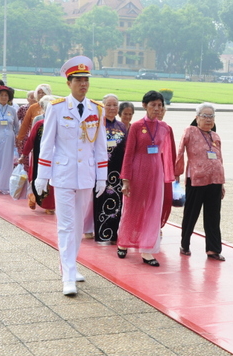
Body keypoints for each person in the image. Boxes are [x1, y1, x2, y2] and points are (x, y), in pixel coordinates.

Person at [34, 56, 107, 296]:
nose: (83, 84)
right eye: (78, 80)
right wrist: (42, 176)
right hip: (64, 173)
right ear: (69, 82)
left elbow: (99, 146)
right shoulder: (56, 108)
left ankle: (71, 265)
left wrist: (102, 176)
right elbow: (47, 144)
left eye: (86, 80)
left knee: (77, 226)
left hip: (86, 174)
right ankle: (68, 276)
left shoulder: (96, 109)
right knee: (65, 225)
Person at [117, 90, 177, 267]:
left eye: (160, 105)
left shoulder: (165, 128)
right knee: (132, 207)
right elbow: (128, 154)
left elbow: (167, 155)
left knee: (152, 210)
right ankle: (123, 242)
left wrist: (169, 175)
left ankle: (147, 249)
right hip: (137, 171)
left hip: (155, 173)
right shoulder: (136, 126)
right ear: (144, 106)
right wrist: (126, 179)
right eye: (153, 105)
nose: (157, 109)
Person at [175, 102, 226, 260]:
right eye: (205, 116)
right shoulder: (190, 131)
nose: (208, 119)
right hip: (196, 180)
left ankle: (213, 249)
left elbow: (220, 159)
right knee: (191, 214)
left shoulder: (215, 136)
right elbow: (180, 151)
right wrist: (177, 173)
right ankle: (185, 244)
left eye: (211, 116)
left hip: (215, 181)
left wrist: (222, 184)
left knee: (213, 216)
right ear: (197, 118)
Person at [93, 94, 127, 244]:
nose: (112, 108)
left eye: (115, 105)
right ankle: (101, 234)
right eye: (109, 105)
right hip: (101, 170)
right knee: (100, 200)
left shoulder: (122, 126)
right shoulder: (97, 124)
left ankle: (112, 234)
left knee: (116, 202)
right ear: (102, 106)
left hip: (117, 171)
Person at [21, 95, 56, 214]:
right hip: (39, 157)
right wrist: (24, 154)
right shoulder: (39, 123)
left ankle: (50, 204)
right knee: (37, 178)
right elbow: (31, 140)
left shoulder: (60, 124)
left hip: (56, 157)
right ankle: (36, 198)